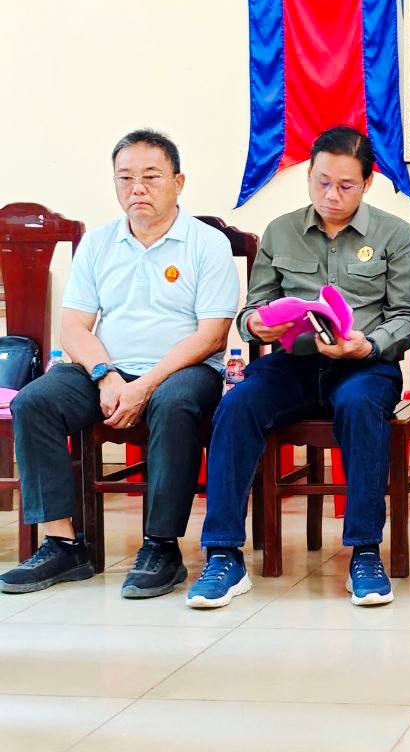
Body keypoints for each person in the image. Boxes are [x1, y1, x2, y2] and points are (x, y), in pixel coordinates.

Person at [187, 126, 410, 609]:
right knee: (237, 406)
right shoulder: (281, 231)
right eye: (321, 182)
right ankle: (223, 554)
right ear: (309, 176)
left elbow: (409, 316)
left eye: (346, 185)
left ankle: (364, 552)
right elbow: (252, 311)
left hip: (364, 366)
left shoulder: (394, 234)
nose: (331, 195)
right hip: (293, 363)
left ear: (368, 183)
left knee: (360, 407)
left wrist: (368, 344)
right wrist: (258, 324)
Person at [0, 130, 238, 599]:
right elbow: (74, 328)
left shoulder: (207, 244)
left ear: (178, 182)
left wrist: (144, 384)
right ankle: (63, 544)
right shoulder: (99, 243)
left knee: (173, 404)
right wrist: (106, 376)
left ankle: (161, 547)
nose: (137, 188)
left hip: (183, 371)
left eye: (151, 177)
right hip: (106, 370)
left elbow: (211, 334)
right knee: (35, 402)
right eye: (125, 178)